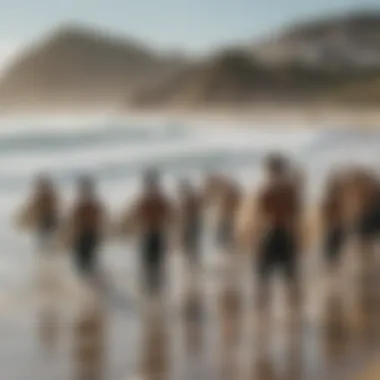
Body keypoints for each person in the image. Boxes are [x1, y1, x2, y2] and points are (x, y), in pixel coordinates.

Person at [254, 153, 303, 309]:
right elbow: (296, 213)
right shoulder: (290, 189)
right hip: (287, 232)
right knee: (291, 274)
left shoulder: (267, 190)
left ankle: (263, 311)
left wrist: (256, 237)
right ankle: (295, 310)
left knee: (263, 275)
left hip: (271, 232)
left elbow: (262, 215)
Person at [120, 168, 174, 296]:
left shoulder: (145, 200)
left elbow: (133, 216)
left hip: (149, 235)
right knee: (157, 262)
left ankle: (151, 290)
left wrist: (128, 228)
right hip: (158, 234)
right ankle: (157, 289)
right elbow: (171, 216)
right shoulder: (161, 199)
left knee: (148, 263)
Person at [66, 176, 106, 277]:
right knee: (87, 264)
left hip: (86, 236)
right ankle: (91, 286)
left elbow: (74, 222)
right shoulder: (90, 204)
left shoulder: (85, 205)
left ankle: (89, 288)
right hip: (88, 235)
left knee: (84, 264)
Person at [15, 174, 60, 253]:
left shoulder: (47, 196)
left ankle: (45, 255)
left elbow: (55, 209)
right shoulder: (46, 196)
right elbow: (32, 209)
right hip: (44, 223)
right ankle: (45, 255)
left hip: (48, 222)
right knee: (44, 242)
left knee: (45, 241)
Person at [321, 172, 346, 270]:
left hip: (335, 226)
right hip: (334, 225)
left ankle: (334, 265)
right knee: (333, 248)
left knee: (334, 248)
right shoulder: (333, 198)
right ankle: (333, 265)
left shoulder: (333, 198)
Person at [177, 179, 203, 268]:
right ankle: (193, 260)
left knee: (190, 242)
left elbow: (183, 213)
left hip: (191, 223)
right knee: (193, 242)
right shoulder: (192, 197)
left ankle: (191, 261)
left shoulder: (186, 199)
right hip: (194, 222)